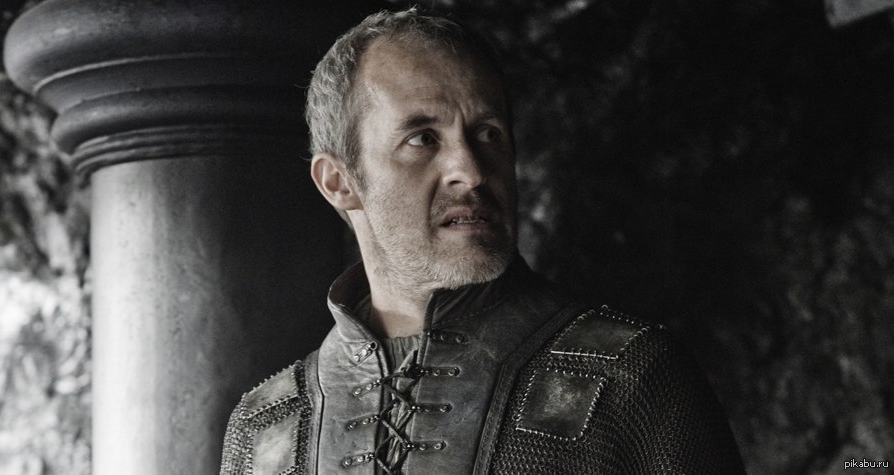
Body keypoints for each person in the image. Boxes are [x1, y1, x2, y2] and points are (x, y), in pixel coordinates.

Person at [220, 8, 743, 474]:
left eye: (488, 133)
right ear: (339, 182)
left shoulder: (630, 377)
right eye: (422, 139)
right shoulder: (264, 429)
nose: (470, 172)